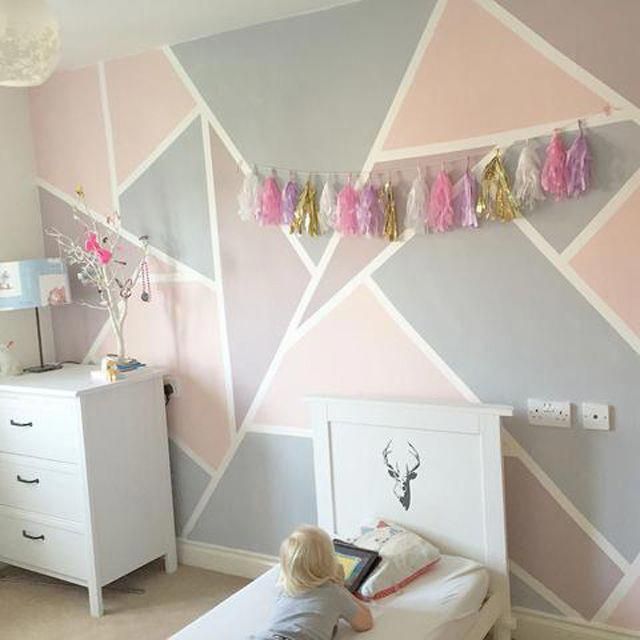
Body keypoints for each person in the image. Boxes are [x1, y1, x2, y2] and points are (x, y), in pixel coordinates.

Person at [254, 525, 373, 640]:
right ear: (330, 563)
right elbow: (366, 623)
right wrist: (343, 590)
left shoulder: (285, 589)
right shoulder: (334, 593)